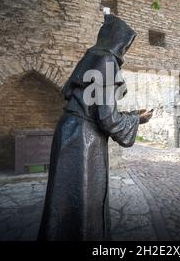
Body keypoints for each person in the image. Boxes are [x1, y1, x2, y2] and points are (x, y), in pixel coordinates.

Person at [38, 14, 153, 241]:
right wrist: (136, 120)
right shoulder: (107, 62)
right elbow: (107, 119)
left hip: (68, 129)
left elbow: (90, 106)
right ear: (120, 43)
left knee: (64, 195)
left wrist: (130, 115)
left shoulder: (90, 58)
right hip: (84, 139)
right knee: (83, 196)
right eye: (127, 46)